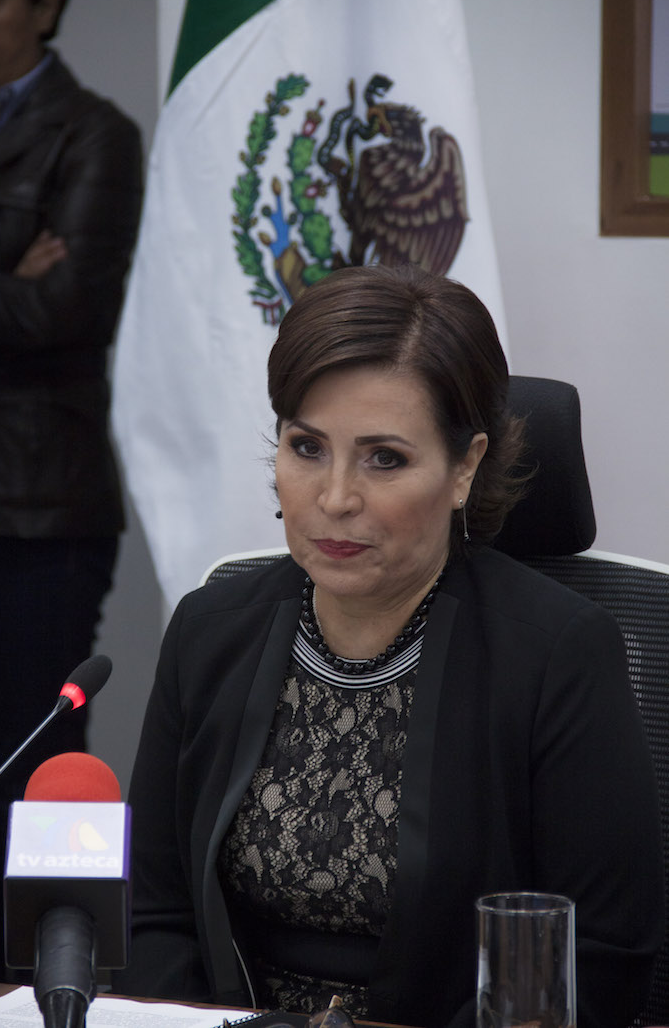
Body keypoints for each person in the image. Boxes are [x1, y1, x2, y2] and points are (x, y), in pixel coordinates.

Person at [116, 265, 664, 1028]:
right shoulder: (209, 629)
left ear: (465, 466)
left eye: (385, 458)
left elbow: (597, 956)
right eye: (307, 447)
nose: (335, 497)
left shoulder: (557, 655)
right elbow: (151, 911)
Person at [0, 0, 142, 975]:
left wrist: (5, 288)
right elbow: (18, 302)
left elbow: (65, 312)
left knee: (33, 766)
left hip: (40, 503)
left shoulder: (93, 133)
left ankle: (47, 978)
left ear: (45, 5)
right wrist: (3, 265)